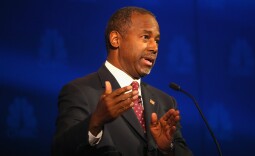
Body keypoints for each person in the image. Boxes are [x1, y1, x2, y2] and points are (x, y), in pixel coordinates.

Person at [52, 6, 193, 156]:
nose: (154, 48)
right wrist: (96, 121)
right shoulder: (81, 91)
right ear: (115, 39)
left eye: (157, 41)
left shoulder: (165, 102)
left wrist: (167, 148)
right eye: (146, 37)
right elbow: (61, 150)